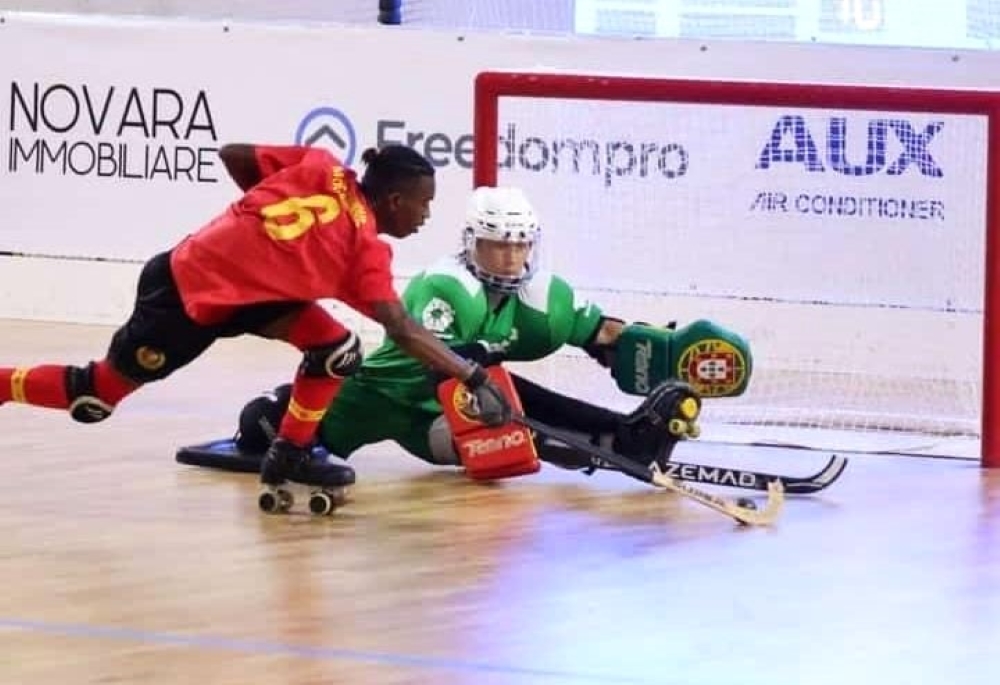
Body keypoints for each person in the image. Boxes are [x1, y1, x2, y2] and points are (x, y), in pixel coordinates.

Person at [1, 144, 512, 501]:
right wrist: (471, 375)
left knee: (336, 349)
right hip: (185, 295)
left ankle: (290, 452)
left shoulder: (321, 166)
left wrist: (262, 221)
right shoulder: (363, 253)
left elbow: (233, 154)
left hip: (251, 296)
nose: (426, 216)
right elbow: (403, 330)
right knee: (95, 397)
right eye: (424, 203)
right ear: (395, 201)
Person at [179, 186, 752, 482]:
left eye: (520, 244)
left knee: (500, 431)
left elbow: (601, 333)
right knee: (264, 421)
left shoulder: (545, 298)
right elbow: (445, 364)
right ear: (472, 243)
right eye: (497, 244)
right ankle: (621, 438)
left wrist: (650, 348)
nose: (510, 256)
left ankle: (621, 440)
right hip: (380, 399)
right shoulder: (443, 285)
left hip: (442, 414)